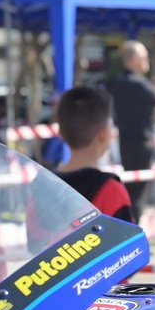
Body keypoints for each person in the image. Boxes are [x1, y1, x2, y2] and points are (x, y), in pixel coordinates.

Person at [107, 40, 155, 223]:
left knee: (131, 192)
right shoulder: (137, 82)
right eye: (144, 56)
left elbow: (147, 97)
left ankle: (129, 226)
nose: (147, 59)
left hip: (126, 143)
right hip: (141, 144)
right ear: (134, 59)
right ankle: (134, 229)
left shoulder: (122, 81)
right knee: (138, 197)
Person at [54, 85, 133, 222]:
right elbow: (128, 235)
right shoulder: (112, 190)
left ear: (60, 133)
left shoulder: (41, 188)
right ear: (103, 134)